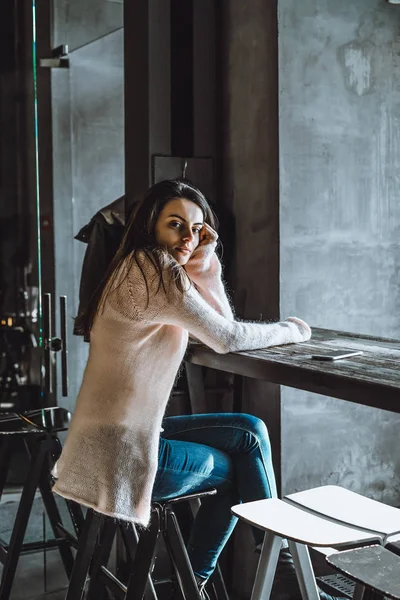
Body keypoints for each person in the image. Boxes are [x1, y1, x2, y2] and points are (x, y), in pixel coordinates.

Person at [52, 179, 341, 600]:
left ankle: (270, 566)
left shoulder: (134, 264)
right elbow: (226, 336)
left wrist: (203, 255)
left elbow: (218, 319)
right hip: (122, 452)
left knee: (249, 428)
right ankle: (250, 577)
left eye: (198, 228)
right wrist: (292, 331)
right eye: (176, 225)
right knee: (241, 469)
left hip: (106, 439)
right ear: (150, 224)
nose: (188, 237)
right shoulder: (155, 270)